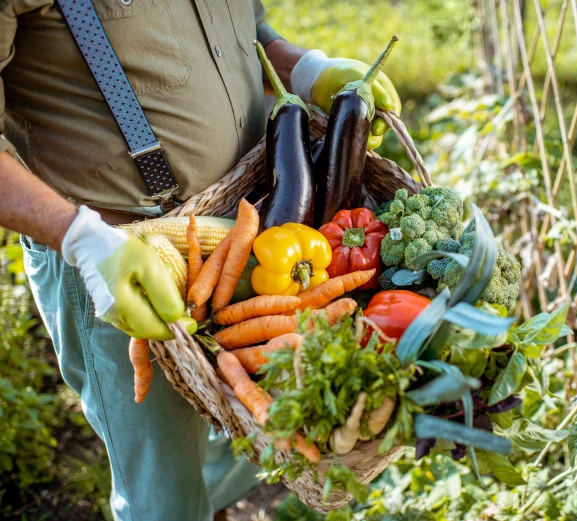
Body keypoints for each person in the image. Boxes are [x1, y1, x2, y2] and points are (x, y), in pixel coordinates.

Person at [0, 1, 401, 519]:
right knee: (163, 495)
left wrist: (304, 69)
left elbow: (243, 30)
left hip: (257, 220)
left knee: (244, 423)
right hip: (121, 256)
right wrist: (80, 239)